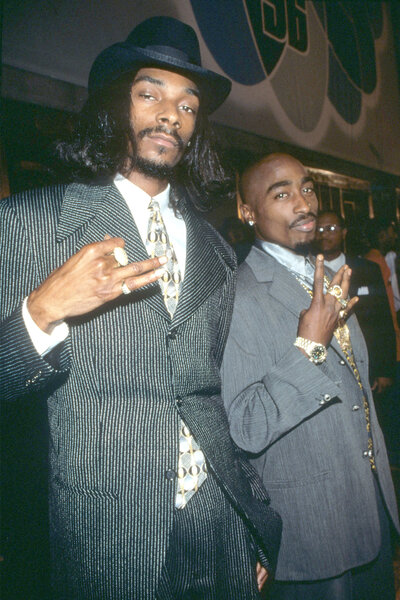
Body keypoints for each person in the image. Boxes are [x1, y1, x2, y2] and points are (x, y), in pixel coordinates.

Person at [0, 17, 281, 600]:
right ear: (115, 105)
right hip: (106, 527)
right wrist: (43, 311)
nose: (170, 116)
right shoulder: (32, 221)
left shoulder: (216, 250)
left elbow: (212, 394)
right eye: (150, 93)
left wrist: (250, 517)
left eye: (188, 105)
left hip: (219, 520)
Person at [221, 153, 399, 599]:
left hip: (368, 506)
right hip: (309, 528)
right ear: (247, 212)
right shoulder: (236, 296)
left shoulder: (329, 275)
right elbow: (244, 426)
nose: (303, 203)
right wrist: (309, 345)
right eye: (281, 194)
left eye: (307, 188)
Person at [315, 210, 396, 392]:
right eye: (319, 229)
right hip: (326, 368)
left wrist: (384, 369)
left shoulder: (367, 269)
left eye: (331, 228)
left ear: (344, 232)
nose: (324, 234)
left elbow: (382, 320)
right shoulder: (308, 272)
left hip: (367, 365)